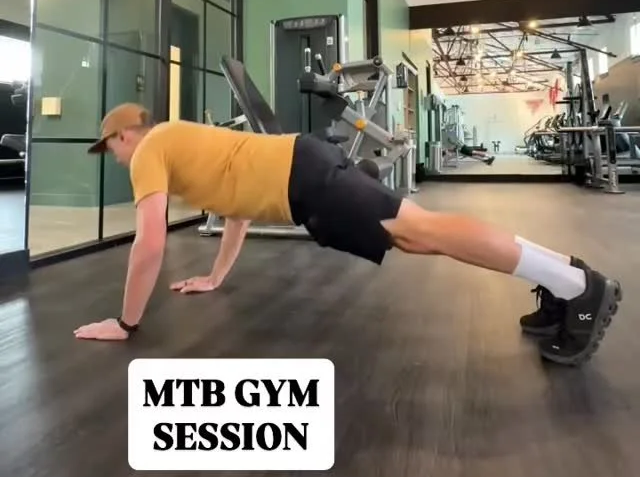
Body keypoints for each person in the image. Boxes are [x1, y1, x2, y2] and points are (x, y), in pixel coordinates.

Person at [74, 103, 622, 367]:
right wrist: (215, 277)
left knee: (422, 232)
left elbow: (150, 243)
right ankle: (567, 280)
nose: (116, 158)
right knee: (417, 235)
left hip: (305, 178)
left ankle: (578, 287)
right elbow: (237, 211)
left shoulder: (149, 150)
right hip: (304, 168)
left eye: (111, 148)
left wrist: (125, 323)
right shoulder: (180, 143)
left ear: (124, 135)